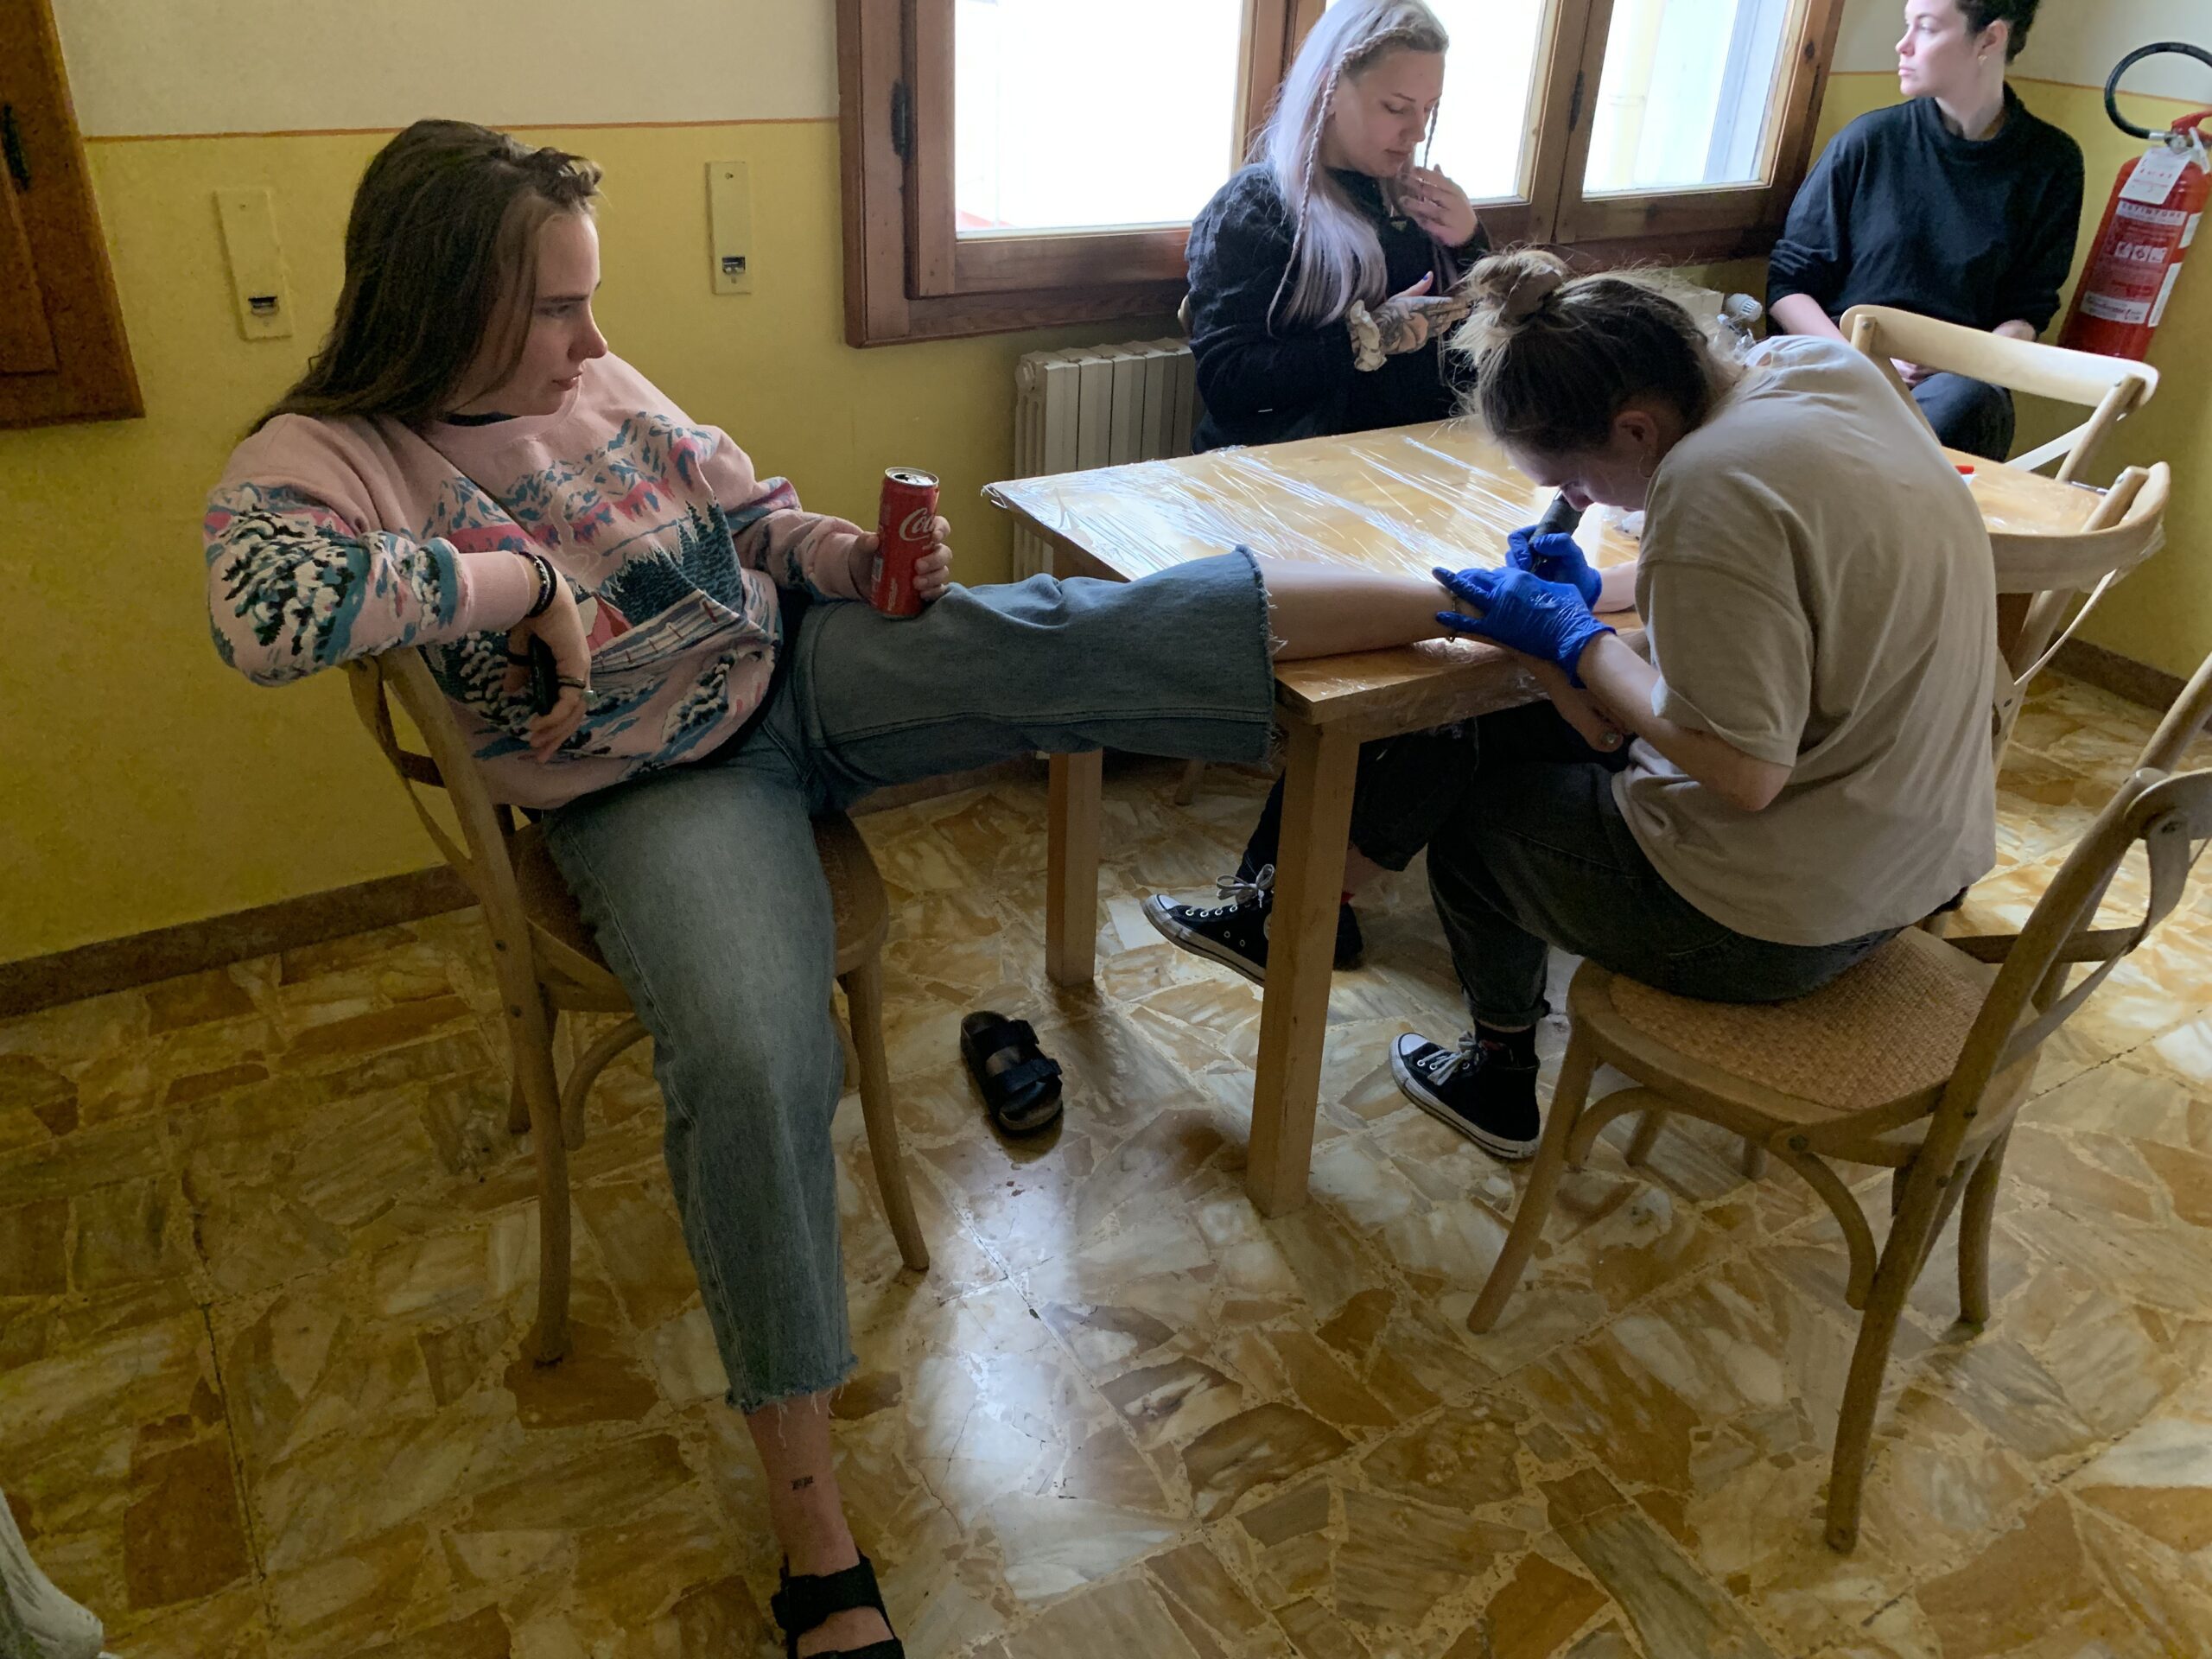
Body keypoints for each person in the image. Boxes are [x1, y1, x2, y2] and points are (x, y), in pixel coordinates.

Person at [202, 121, 1466, 1659]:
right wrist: (521, 582)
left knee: (1058, 628)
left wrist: (842, 556)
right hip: (651, 789)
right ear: (435, 296)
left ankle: (1485, 605)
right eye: (554, 309)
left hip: (799, 670)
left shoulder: (591, 380)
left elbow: (743, 525)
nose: (593, 344)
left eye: (590, 305)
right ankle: (814, 1534)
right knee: (749, 1051)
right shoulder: (332, 455)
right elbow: (266, 615)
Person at [1388, 250, 1999, 1161]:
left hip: (1794, 922)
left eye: (1575, 483)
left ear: (1636, 429)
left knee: (1479, 836)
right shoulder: (1820, 371)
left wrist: (1578, 641)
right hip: (1926, 862)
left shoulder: (1706, 485)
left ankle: (1497, 1078)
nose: (1574, 503)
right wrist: (1603, 610)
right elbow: (1796, 615)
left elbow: (1746, 772)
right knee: (1555, 734)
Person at [1153, 0, 1494, 978]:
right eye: (1394, 105)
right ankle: (1293, 886)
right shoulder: (1259, 209)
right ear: (1329, 88)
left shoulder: (1415, 206)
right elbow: (1231, 380)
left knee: (1481, 661)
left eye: (1426, 111)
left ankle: (1297, 888)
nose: (1411, 133)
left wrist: (1470, 245)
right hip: (1281, 493)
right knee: (1434, 666)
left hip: (1399, 483)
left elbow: (1479, 346)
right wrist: (1367, 335)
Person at [1766, 0, 2083, 461]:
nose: (1903, 45)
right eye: (1906, 25)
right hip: (1841, 366)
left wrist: (1953, 357)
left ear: (1990, 39)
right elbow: (1788, 287)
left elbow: (2027, 312)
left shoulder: (2052, 163)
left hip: (1953, 387)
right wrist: (1862, 364)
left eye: (1927, 28)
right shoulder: (1869, 141)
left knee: (1965, 404)